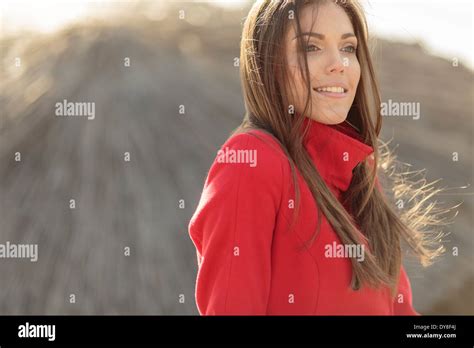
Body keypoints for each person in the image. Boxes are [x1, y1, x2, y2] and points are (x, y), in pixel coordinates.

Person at [188, 0, 444, 315]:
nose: (339, 64)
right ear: (269, 64)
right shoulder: (251, 161)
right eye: (311, 46)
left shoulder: (359, 176)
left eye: (348, 48)